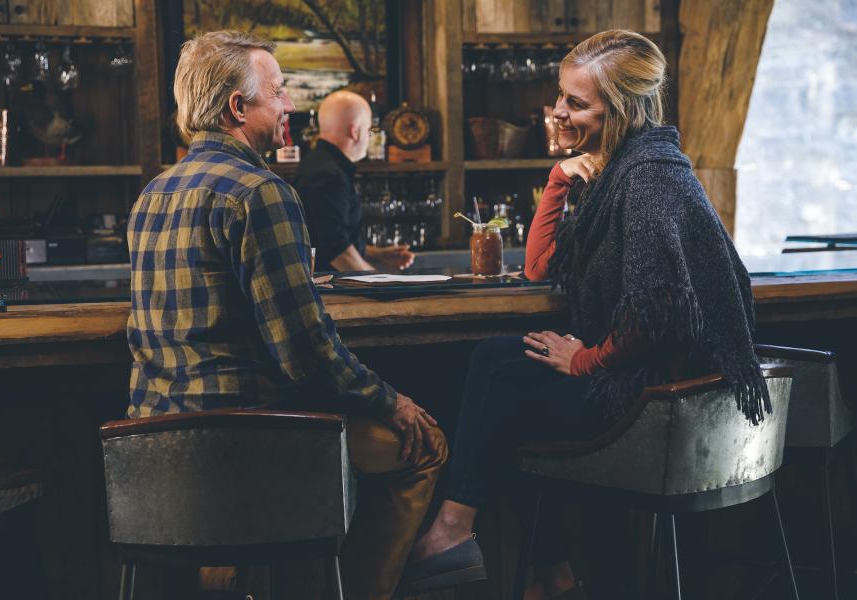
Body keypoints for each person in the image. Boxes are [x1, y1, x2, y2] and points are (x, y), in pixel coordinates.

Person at [398, 30, 771, 599]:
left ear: (618, 108)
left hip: (659, 408)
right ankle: (545, 569)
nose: (558, 112)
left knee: (497, 372)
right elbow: (541, 268)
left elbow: (657, 307)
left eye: (576, 102)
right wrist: (555, 182)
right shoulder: (619, 169)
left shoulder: (649, 178)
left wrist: (585, 360)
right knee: (498, 378)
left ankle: (466, 535)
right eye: (560, 97)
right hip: (641, 390)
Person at [126, 30, 446, 600]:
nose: (291, 105)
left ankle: (234, 574)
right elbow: (306, 351)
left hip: (153, 454)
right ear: (237, 107)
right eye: (278, 91)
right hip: (253, 445)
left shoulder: (153, 193)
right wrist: (391, 401)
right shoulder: (260, 192)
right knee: (423, 444)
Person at [294, 90, 414, 272]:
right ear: (355, 131)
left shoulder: (319, 164)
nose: (369, 137)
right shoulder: (328, 175)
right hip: (333, 295)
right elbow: (335, 251)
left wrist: (377, 254)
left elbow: (327, 236)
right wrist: (380, 284)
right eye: (368, 130)